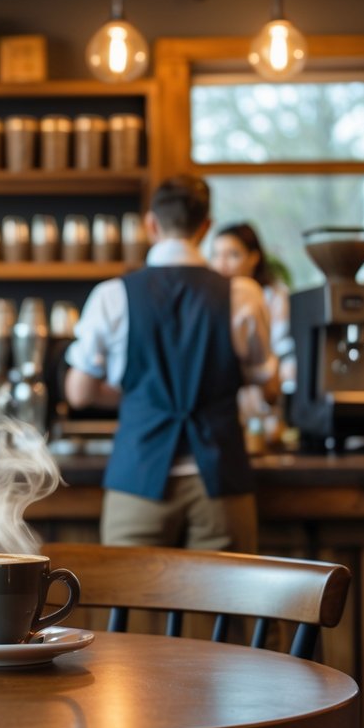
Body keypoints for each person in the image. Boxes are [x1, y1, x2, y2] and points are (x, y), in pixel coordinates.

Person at [64, 175, 278, 553]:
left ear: (150, 224)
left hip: (139, 477)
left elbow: (79, 393)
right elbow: (269, 386)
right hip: (220, 479)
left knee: (126, 606)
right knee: (222, 609)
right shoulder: (243, 294)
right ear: (206, 227)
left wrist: (142, 395)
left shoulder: (112, 295)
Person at [210, 222, 296, 405]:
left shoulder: (274, 297)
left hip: (265, 399)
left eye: (232, 255)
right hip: (223, 402)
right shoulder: (210, 299)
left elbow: (282, 350)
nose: (221, 264)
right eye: (216, 255)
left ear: (253, 257)